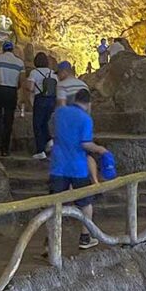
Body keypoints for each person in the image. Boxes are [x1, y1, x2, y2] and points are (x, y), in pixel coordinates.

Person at [48, 89, 108, 251]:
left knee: (55, 205)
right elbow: (85, 144)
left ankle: (50, 244)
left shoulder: (60, 113)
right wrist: (101, 149)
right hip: (77, 167)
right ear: (88, 104)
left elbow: (52, 131)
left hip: (58, 166)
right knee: (85, 203)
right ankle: (85, 237)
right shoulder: (85, 119)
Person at [0, 42, 25, 156]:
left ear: (3, 50)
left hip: (0, 90)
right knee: (8, 120)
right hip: (12, 91)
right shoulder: (20, 62)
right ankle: (5, 149)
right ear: (12, 50)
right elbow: (22, 80)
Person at [26, 53, 58, 160]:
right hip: (51, 100)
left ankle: (40, 150)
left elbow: (30, 88)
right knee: (44, 122)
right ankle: (49, 141)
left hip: (40, 99)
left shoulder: (34, 72)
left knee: (37, 124)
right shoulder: (52, 72)